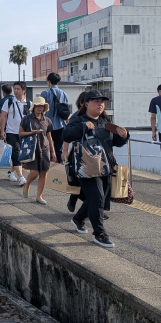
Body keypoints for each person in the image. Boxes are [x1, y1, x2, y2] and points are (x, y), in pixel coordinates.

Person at [63, 90, 129, 248]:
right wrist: (82, 127)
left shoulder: (105, 121)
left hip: (105, 165)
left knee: (97, 198)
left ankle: (78, 219)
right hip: (86, 166)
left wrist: (124, 136)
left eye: (102, 101)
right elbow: (66, 135)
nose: (100, 104)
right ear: (86, 103)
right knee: (97, 198)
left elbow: (115, 143)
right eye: (95, 101)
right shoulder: (78, 119)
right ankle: (99, 234)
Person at [20, 96, 56, 204]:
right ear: (34, 107)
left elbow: (49, 136)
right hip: (32, 149)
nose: (40, 108)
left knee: (44, 173)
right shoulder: (26, 119)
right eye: (38, 106)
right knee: (35, 173)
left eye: (42, 106)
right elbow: (20, 133)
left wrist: (53, 151)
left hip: (45, 149)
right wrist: (32, 132)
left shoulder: (47, 120)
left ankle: (39, 196)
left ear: (44, 108)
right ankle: (27, 184)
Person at [0, 81, 30, 186]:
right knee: (16, 153)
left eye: (18, 89)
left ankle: (11, 172)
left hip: (24, 133)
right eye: (14, 88)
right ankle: (21, 177)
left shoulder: (29, 103)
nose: (15, 90)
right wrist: (2, 130)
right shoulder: (9, 101)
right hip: (11, 132)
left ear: (24, 90)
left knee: (21, 155)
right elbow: (3, 116)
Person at [41, 73, 69, 163]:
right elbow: (67, 111)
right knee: (59, 148)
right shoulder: (64, 94)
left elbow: (42, 110)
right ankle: (58, 170)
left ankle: (48, 169)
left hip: (48, 125)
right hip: (61, 125)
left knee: (47, 148)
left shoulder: (45, 93)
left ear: (49, 81)